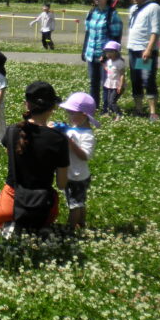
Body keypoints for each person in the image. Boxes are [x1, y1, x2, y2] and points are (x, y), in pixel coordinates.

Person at [0, 81, 69, 234]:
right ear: (53, 107)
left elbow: (11, 154)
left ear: (26, 105)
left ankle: (12, 225)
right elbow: (62, 184)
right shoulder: (58, 139)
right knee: (40, 222)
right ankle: (36, 227)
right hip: (44, 204)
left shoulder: (12, 132)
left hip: (12, 198)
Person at [58, 92, 98, 230]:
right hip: (72, 173)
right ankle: (81, 224)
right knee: (79, 202)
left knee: (74, 205)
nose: (69, 116)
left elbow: (84, 155)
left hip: (77, 176)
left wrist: (69, 142)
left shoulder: (88, 135)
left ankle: (70, 229)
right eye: (68, 112)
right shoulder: (74, 129)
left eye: (73, 113)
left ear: (84, 115)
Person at [82, 0, 123, 112]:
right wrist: (84, 50)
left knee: (107, 83)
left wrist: (108, 55)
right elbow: (88, 33)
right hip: (91, 53)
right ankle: (93, 107)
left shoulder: (112, 14)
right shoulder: (91, 12)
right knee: (93, 83)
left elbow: (116, 37)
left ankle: (107, 108)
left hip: (105, 56)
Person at [127, 0, 160, 121]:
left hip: (144, 50)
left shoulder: (153, 8)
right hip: (133, 49)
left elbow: (156, 30)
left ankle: (153, 112)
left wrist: (149, 49)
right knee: (135, 80)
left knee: (147, 79)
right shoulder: (133, 9)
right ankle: (138, 109)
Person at [102, 41, 125, 120]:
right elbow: (108, 70)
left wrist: (121, 85)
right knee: (108, 100)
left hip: (117, 84)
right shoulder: (109, 61)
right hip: (110, 83)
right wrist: (102, 63)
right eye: (107, 52)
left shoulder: (119, 62)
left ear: (116, 52)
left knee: (112, 101)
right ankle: (110, 113)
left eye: (110, 52)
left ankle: (119, 114)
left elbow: (122, 75)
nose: (108, 54)